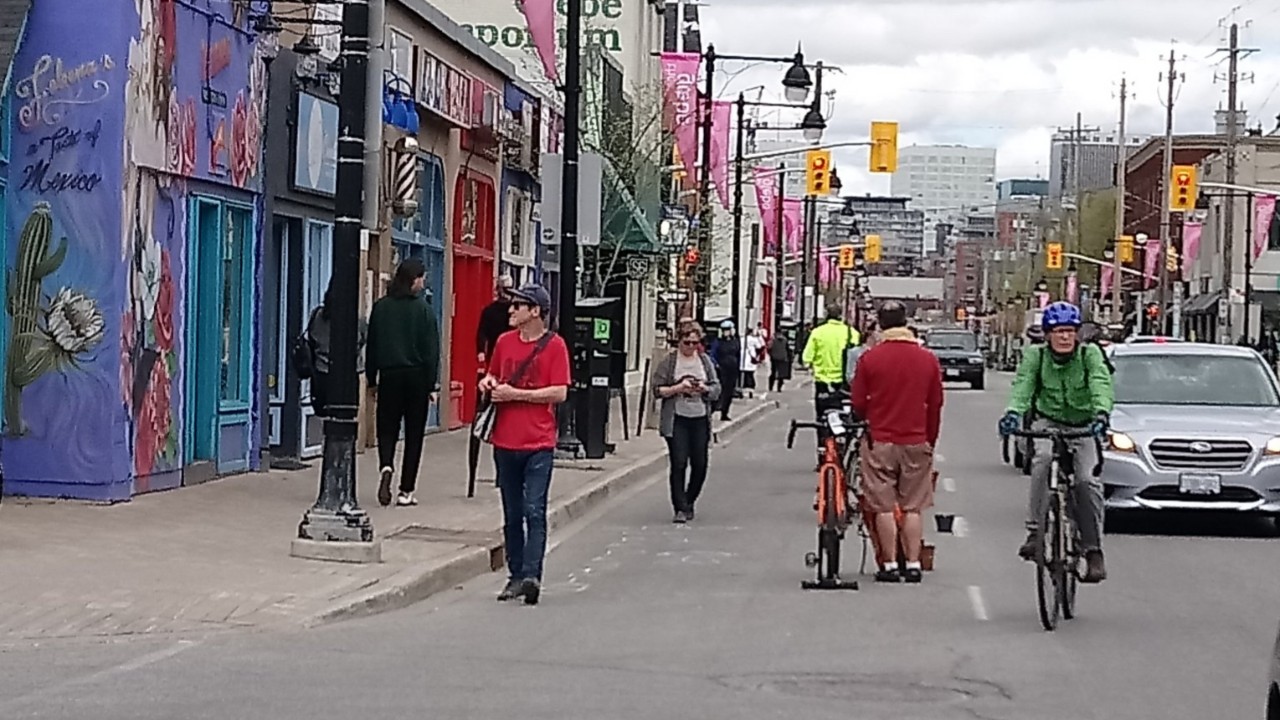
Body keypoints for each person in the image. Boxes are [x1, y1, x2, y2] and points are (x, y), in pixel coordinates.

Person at [998, 301, 1114, 583]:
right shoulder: (1035, 356)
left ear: (1078, 334)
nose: (1064, 337)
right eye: (1058, 331)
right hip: (1048, 421)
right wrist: (1013, 413)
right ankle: (1035, 531)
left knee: (1086, 481)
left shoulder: (1091, 355)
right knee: (1042, 461)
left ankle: (1092, 548)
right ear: (1047, 335)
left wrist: (1101, 414)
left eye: (1069, 331)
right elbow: (1024, 385)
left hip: (1084, 424)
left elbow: (1101, 383)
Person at [479, 283, 571, 605]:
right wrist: (488, 383)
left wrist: (516, 395)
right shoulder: (504, 343)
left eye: (517, 305)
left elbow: (559, 392)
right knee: (511, 513)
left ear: (535, 311)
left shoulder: (555, 347)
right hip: (505, 440)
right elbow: (492, 376)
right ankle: (515, 576)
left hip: (539, 442)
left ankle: (533, 575)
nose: (510, 310)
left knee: (534, 510)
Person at [851, 301, 944, 584]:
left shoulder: (870, 358)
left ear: (880, 324)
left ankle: (889, 564)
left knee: (882, 505)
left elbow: (857, 402)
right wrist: (930, 438)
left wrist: (869, 417)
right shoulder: (927, 359)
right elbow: (936, 403)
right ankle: (913, 563)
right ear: (906, 322)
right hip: (916, 439)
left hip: (881, 439)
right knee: (913, 506)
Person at [366, 258, 441, 508]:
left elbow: (372, 345)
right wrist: (432, 385)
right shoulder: (423, 311)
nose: (423, 282)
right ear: (413, 280)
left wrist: (371, 378)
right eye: (422, 277)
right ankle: (406, 490)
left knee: (387, 427)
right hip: (417, 377)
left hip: (389, 375)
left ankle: (386, 464)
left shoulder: (381, 308)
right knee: (414, 434)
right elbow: (431, 351)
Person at [651, 322, 721, 523]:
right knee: (679, 462)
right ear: (679, 341)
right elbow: (657, 390)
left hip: (699, 418)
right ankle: (679, 507)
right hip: (677, 419)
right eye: (687, 342)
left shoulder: (705, 361)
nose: (691, 347)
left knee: (700, 464)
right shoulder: (670, 362)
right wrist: (678, 388)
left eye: (695, 343)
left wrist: (704, 389)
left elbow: (716, 388)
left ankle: (690, 500)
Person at [304, 282, 368, 417]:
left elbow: (311, 339)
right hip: (347, 376)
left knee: (323, 413)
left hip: (321, 373)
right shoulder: (355, 319)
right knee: (345, 416)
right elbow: (363, 339)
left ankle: (323, 436)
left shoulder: (317, 315)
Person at [801, 303, 861, 414]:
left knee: (822, 414)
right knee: (844, 413)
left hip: (823, 381)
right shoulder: (852, 333)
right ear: (840, 315)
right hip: (844, 381)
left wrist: (809, 366)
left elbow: (807, 357)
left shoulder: (818, 332)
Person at [476, 275, 514, 371]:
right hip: (494, 352)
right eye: (506, 289)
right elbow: (482, 331)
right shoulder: (489, 311)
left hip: (511, 352)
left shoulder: (515, 310)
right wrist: (481, 350)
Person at [709, 320, 741, 420]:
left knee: (729, 392)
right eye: (724, 330)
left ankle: (725, 412)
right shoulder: (718, 342)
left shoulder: (735, 341)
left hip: (733, 369)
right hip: (721, 369)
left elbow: (738, 354)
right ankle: (712, 410)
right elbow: (712, 355)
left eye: (728, 330)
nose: (726, 332)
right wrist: (716, 365)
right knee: (719, 391)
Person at [740, 327, 766, 393]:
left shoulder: (741, 339)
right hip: (750, 356)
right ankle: (750, 385)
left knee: (743, 371)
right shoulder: (753, 339)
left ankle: (743, 384)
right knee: (750, 373)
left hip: (742, 356)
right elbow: (760, 346)